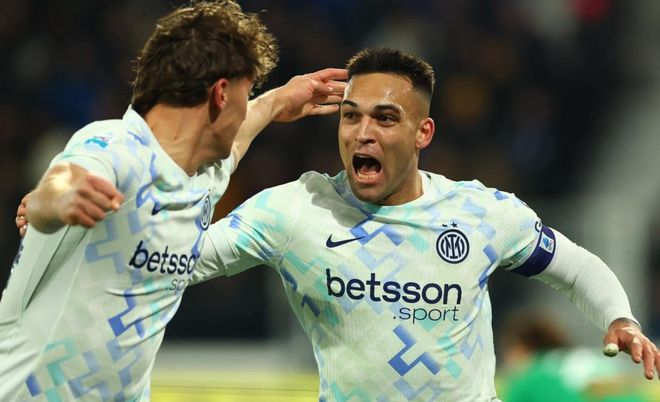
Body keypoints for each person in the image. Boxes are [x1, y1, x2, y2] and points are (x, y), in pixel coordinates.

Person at [192, 47, 660, 401]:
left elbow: (576, 268)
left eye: (385, 118)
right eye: (351, 117)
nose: (363, 133)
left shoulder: (481, 213)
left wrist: (619, 317)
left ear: (423, 133)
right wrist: (268, 107)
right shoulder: (296, 210)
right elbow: (178, 259)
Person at [0, 1, 346, 400]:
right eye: (246, 92)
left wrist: (278, 101)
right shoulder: (116, 147)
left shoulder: (202, 175)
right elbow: (60, 184)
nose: (245, 108)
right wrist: (57, 201)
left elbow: (238, 135)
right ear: (221, 93)